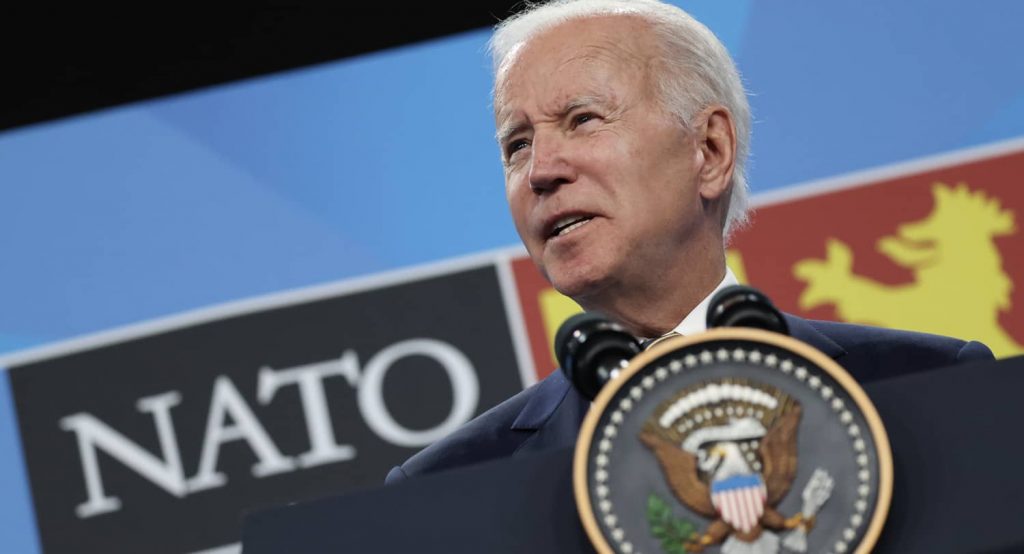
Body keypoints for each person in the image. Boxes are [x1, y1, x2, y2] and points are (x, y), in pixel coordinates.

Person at [386, 0, 992, 484]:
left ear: (710, 151)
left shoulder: (932, 385)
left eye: (583, 120)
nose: (541, 169)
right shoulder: (448, 485)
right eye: (517, 144)